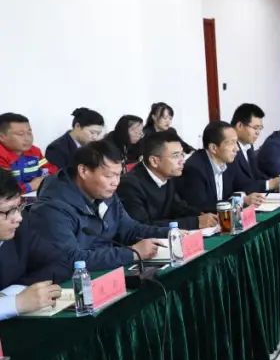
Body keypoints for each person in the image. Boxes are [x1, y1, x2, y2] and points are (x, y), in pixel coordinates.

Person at [20, 140, 168, 282]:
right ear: (83, 171)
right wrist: (131, 253)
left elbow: (130, 229)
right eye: (109, 176)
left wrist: (170, 233)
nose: (116, 182)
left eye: (118, 175)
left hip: (105, 271)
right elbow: (71, 259)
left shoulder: (104, 193)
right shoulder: (51, 209)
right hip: (66, 283)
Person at [117, 130, 217, 230]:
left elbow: (179, 208)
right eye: (176, 156)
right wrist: (195, 222)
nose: (182, 161)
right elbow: (141, 227)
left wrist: (202, 215)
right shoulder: (129, 185)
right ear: (154, 161)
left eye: (182, 154)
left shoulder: (167, 175)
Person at [0, 171, 62, 320]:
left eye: (19, 207)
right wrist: (16, 303)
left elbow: (58, 262)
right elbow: (18, 302)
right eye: (9, 211)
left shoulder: (19, 230)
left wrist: (10, 293)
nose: (18, 218)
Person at [177, 121, 266, 213]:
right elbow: (201, 207)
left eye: (236, 142)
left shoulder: (229, 162)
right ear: (213, 148)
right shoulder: (194, 169)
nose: (237, 149)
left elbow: (242, 186)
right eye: (231, 143)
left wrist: (247, 196)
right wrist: (241, 201)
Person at [230, 103, 280, 193]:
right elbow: (238, 185)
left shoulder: (248, 146)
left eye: (260, 128)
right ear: (240, 126)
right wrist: (268, 184)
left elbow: (256, 174)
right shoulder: (229, 148)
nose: (258, 133)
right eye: (255, 128)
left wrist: (275, 182)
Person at [0, 112, 56, 194]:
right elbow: (5, 190)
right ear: (1, 137)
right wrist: (31, 186)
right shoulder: (2, 156)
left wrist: (45, 179)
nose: (27, 138)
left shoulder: (35, 152)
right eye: (20, 134)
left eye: (29, 133)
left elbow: (51, 170)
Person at [46, 107, 105, 172]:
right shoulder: (56, 149)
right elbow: (58, 176)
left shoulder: (92, 147)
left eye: (98, 134)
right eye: (92, 132)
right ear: (77, 126)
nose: (95, 137)